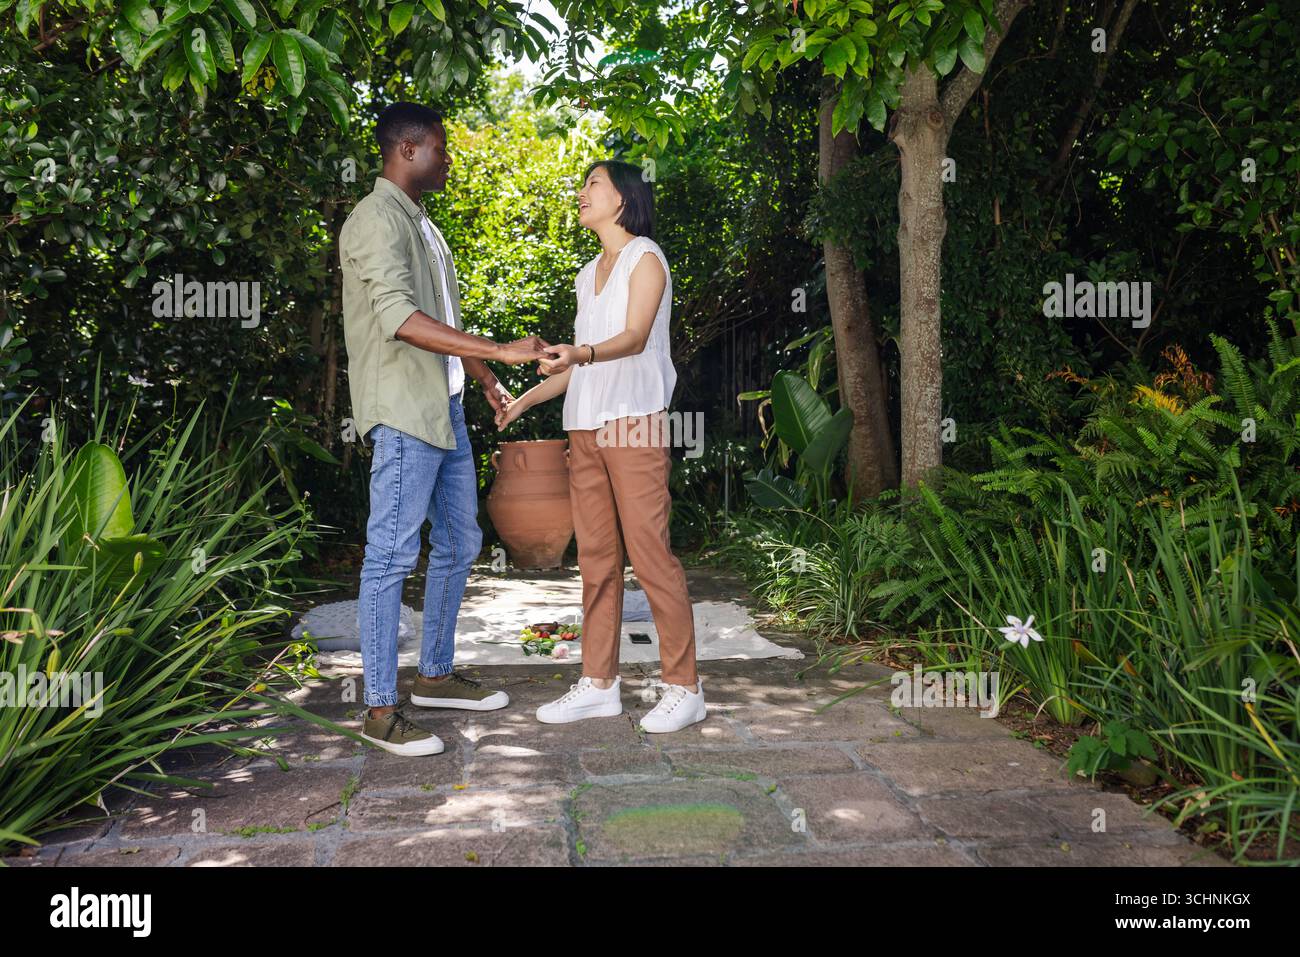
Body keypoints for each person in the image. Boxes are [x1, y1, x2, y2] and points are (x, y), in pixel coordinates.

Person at [339, 102, 548, 756]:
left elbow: (440, 315)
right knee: (391, 555)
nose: (449, 159)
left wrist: (484, 378)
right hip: (405, 411)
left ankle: (433, 673)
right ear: (406, 150)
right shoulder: (375, 219)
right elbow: (400, 317)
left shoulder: (419, 223)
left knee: (460, 539)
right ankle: (378, 709)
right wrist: (505, 349)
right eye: (440, 148)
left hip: (445, 405)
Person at [496, 159, 704, 733]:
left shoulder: (646, 258)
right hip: (584, 426)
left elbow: (632, 338)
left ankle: (685, 688)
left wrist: (579, 353)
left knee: (650, 553)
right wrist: (525, 402)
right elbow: (578, 364)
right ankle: (598, 683)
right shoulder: (588, 274)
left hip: (634, 423)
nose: (582, 192)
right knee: (596, 561)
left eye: (593, 183)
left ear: (623, 199)